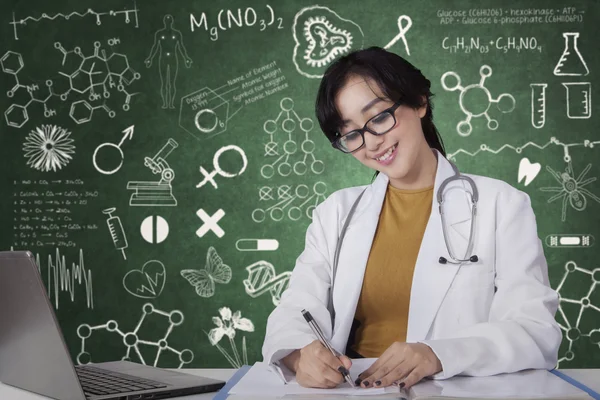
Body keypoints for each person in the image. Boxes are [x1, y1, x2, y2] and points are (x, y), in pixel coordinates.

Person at [261, 47, 561, 390]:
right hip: (353, 392)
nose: (371, 143)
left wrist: (438, 354)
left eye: (377, 118)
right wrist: (301, 356)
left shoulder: (502, 204)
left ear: (419, 102)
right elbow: (296, 309)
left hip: (454, 390)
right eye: (351, 133)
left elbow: (535, 330)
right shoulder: (336, 213)